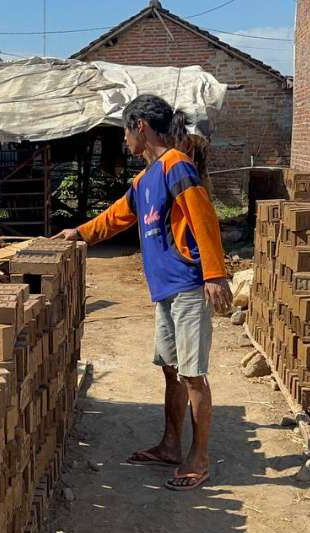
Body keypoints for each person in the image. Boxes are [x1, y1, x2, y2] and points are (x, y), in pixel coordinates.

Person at [55, 94, 232, 491]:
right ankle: (170, 445)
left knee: (192, 376)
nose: (123, 142)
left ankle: (198, 459)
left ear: (140, 127)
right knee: (170, 370)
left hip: (187, 286)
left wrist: (215, 275)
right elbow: (117, 216)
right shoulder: (144, 180)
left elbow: (204, 219)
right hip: (164, 291)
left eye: (124, 132)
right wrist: (79, 233)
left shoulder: (177, 167)